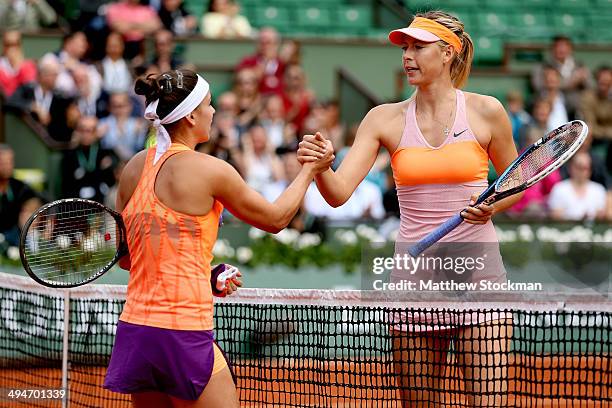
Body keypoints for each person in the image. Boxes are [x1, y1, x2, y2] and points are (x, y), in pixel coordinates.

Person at [298, 11, 520, 407]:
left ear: (448, 53)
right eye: (405, 47)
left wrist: (491, 206)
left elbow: (517, 184)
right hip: (414, 279)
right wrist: (321, 166)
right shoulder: (382, 118)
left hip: (478, 275)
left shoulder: (487, 111)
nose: (408, 55)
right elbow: (338, 193)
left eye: (419, 46)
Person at [103, 69, 332, 407]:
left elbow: (129, 259)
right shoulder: (211, 170)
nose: (213, 113)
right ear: (192, 114)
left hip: (137, 332)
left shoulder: (134, 168)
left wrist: (203, 275)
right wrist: (309, 170)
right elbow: (276, 218)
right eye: (210, 105)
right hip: (182, 331)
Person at [0, 144, 42, 246]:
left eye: (10, 162)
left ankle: (32, 249)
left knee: (28, 213)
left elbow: (35, 200)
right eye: (3, 163)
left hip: (15, 232)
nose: (7, 166)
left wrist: (30, 206)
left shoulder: (18, 185)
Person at [549, 152, 607, 221]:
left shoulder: (599, 189)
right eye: (578, 167)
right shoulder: (559, 188)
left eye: (585, 168)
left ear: (590, 170)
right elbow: (556, 216)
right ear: (570, 168)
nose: (581, 171)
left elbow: (601, 215)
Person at [0, 31, 37, 98]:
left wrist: (18, 65)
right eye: (7, 44)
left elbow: (30, 88)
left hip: (22, 105)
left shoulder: (28, 65)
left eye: (15, 44)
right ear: (3, 45)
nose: (11, 48)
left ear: (20, 45)